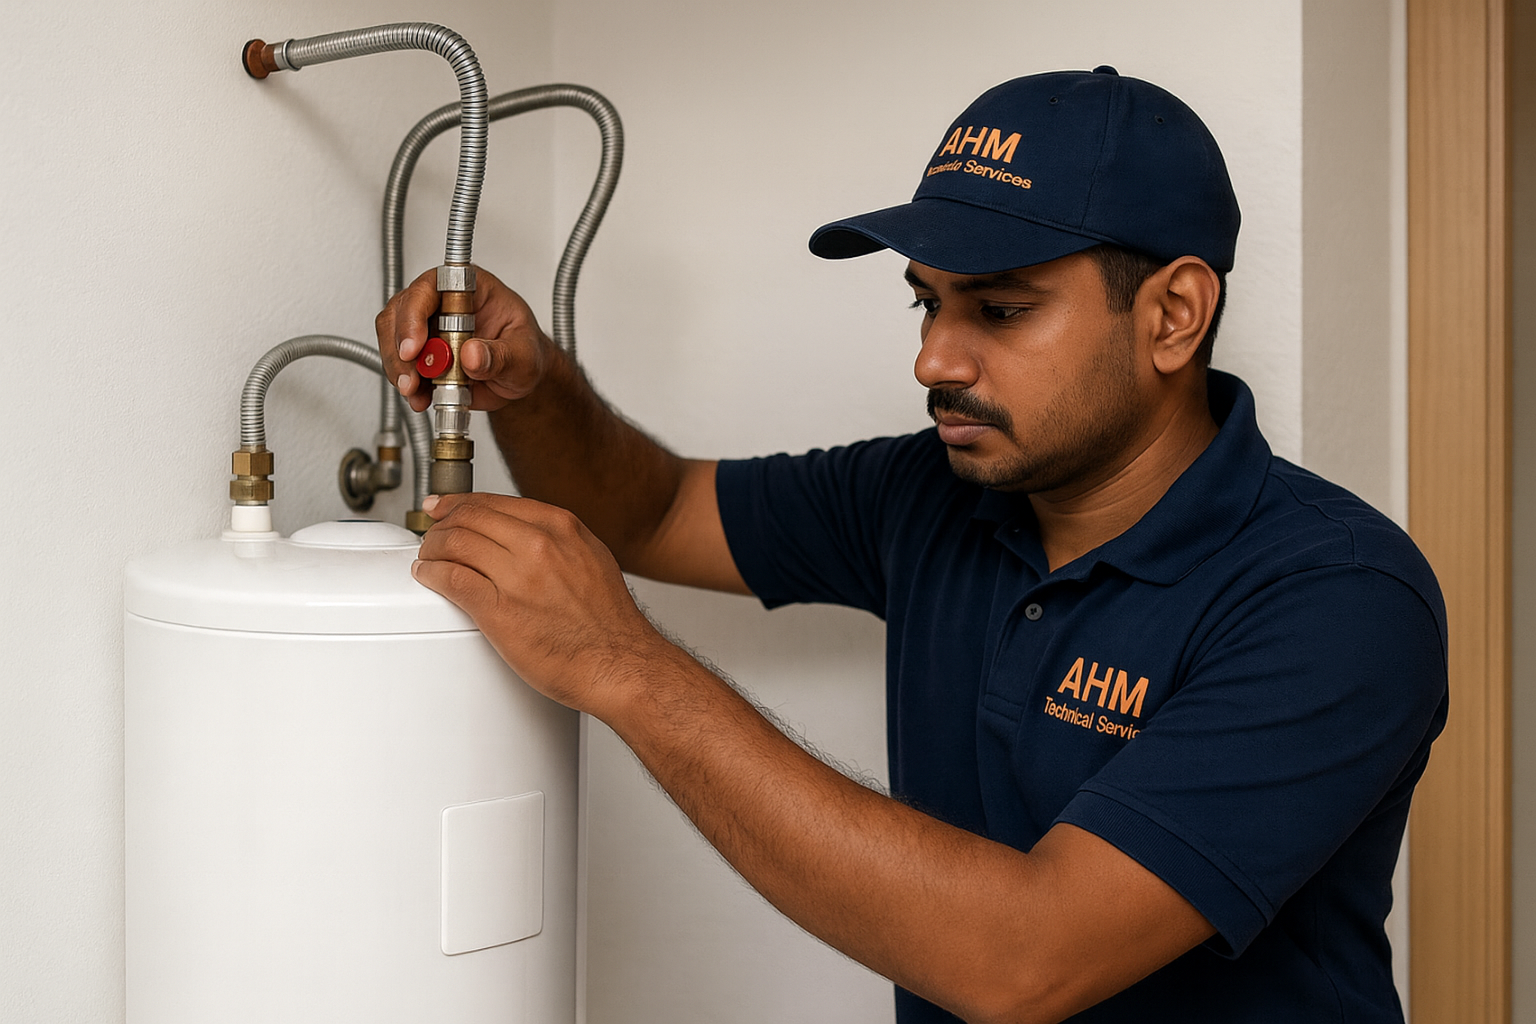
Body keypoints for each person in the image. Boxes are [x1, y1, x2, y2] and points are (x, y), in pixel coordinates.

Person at [377, 67, 1447, 1024]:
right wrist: (536, 385)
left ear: (1173, 314)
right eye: (926, 301)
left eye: (999, 307)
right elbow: (652, 511)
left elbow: (1025, 961)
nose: (935, 356)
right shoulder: (930, 492)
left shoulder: (1335, 596)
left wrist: (622, 665)